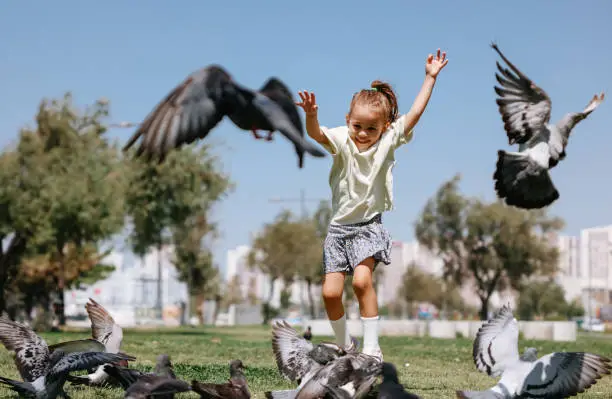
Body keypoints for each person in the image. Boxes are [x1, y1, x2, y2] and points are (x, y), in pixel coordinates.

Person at [296, 49, 449, 361]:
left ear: (384, 126)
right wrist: (311, 115)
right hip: (338, 231)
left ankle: (371, 349)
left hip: (368, 227)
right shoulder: (341, 139)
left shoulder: (390, 139)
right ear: (348, 121)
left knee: (363, 282)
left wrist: (430, 78)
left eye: (371, 128)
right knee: (329, 293)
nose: (363, 134)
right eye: (357, 126)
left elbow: (415, 114)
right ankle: (345, 345)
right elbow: (315, 134)